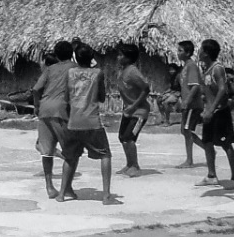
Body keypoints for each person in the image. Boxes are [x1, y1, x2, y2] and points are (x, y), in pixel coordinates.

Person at [59, 43, 118, 205]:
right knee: (105, 155)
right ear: (91, 57)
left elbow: (66, 97)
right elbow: (101, 97)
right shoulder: (97, 73)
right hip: (92, 122)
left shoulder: (70, 73)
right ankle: (106, 195)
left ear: (75, 58)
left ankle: (62, 193)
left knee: (70, 158)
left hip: (73, 121)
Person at [30, 41, 74, 199]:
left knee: (46, 152)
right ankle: (66, 188)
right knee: (70, 152)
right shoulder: (74, 68)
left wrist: (37, 105)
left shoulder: (50, 69)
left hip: (44, 109)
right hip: (61, 110)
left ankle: (49, 186)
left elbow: (36, 89)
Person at [195, 39, 234, 187]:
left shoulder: (217, 68)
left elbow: (222, 89)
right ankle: (211, 175)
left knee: (226, 144)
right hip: (209, 112)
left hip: (220, 112)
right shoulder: (205, 69)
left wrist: (212, 108)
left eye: (201, 49)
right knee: (207, 142)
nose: (199, 52)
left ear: (206, 53)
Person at [115, 43, 151, 176]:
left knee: (129, 137)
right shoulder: (123, 70)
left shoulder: (133, 71)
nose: (118, 57)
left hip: (139, 112)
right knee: (122, 137)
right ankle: (129, 164)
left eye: (121, 55)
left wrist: (134, 105)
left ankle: (135, 165)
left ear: (128, 58)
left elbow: (146, 88)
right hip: (128, 111)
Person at [176, 41, 204, 168]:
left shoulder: (191, 66)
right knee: (185, 130)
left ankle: (189, 160)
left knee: (187, 130)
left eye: (180, 50)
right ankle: (207, 149)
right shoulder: (185, 67)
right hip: (188, 104)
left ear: (187, 53)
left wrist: (186, 101)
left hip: (192, 105)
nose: (178, 53)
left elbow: (195, 86)